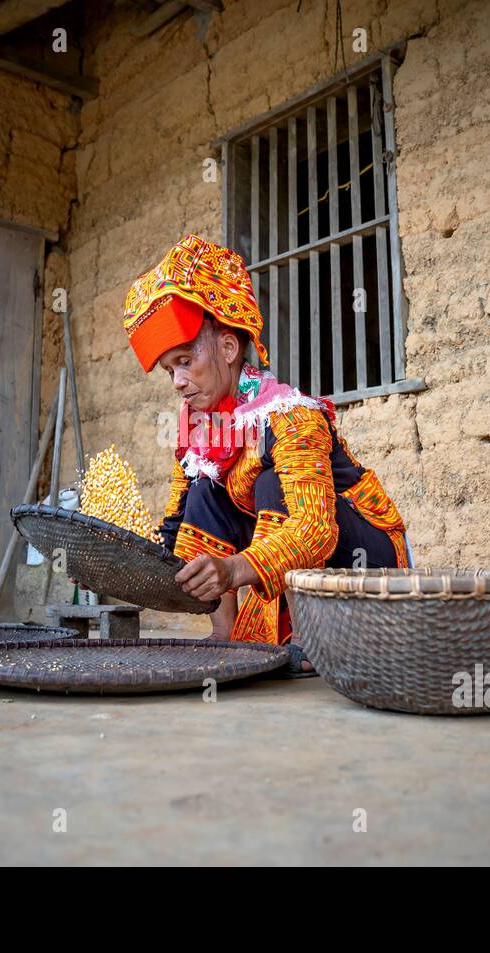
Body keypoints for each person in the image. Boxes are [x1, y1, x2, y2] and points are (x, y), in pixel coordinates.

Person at [123, 234, 409, 668]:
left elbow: (316, 531)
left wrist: (234, 569)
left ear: (227, 348)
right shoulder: (198, 434)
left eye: (185, 361)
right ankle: (225, 631)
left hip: (367, 558)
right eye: (169, 371)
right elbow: (175, 527)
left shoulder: (289, 415)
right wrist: (122, 567)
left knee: (270, 483)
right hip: (294, 557)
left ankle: (312, 636)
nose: (177, 382)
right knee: (205, 492)